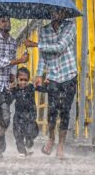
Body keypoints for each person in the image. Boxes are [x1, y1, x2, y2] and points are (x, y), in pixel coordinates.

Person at [24, 12, 77, 159]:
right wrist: (39, 74)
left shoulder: (70, 26)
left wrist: (34, 44)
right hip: (53, 76)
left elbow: (60, 47)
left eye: (60, 10)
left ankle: (60, 147)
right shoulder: (44, 30)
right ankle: (51, 138)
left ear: (64, 12)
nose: (58, 13)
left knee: (65, 111)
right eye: (54, 10)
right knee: (52, 111)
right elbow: (43, 56)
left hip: (69, 74)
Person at [0, 12, 29, 159]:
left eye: (8, 20)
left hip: (3, 84)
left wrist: (13, 77)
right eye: (3, 21)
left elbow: (12, 65)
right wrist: (20, 60)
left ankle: (0, 136)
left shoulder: (13, 42)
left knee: (6, 118)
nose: (6, 23)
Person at [8, 67, 46, 157]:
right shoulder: (15, 89)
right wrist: (9, 90)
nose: (23, 82)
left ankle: (29, 145)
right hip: (18, 116)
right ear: (17, 79)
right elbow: (9, 101)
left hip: (30, 116)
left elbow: (42, 89)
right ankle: (21, 151)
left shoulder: (31, 87)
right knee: (18, 135)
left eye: (26, 80)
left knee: (29, 134)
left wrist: (44, 84)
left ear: (28, 80)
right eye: (21, 80)